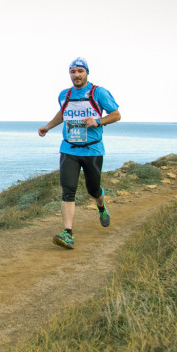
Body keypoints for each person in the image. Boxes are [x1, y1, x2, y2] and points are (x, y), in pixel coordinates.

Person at [38, 57, 121, 249]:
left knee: (93, 189)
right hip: (69, 149)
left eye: (80, 71)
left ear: (87, 73)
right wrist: (48, 127)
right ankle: (68, 233)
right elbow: (63, 112)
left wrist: (98, 121)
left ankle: (101, 205)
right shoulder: (64, 95)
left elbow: (116, 114)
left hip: (93, 149)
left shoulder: (98, 92)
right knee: (68, 189)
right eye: (73, 71)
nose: (76, 75)